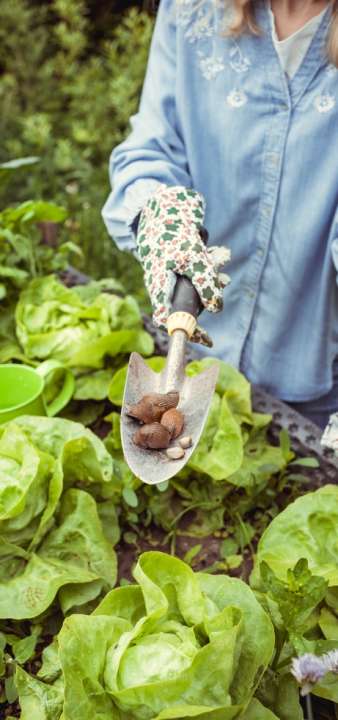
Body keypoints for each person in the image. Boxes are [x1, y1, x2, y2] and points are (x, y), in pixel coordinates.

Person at [102, 0, 338, 429]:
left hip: (316, 384)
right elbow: (152, 146)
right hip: (186, 355)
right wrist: (161, 215)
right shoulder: (192, 9)